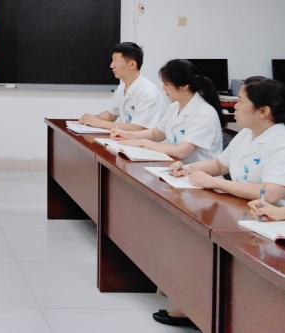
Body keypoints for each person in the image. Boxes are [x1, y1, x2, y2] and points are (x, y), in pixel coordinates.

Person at [154, 76, 285, 328]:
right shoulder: (246, 133)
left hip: (271, 223)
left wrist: (216, 183)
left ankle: (207, 311)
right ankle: (196, 306)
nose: (234, 105)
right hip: (243, 211)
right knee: (197, 237)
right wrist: (187, 168)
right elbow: (219, 164)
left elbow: (270, 194)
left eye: (241, 101)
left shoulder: (280, 141)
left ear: (263, 111)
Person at [110, 59, 224, 163]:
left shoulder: (204, 113)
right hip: (176, 167)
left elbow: (181, 151)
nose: (163, 88)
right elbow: (155, 134)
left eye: (166, 84)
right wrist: (127, 134)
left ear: (184, 86)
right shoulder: (174, 107)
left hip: (200, 174)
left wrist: (144, 142)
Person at [79, 42, 166, 131]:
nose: (111, 66)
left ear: (132, 65)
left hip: (142, 139)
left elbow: (137, 128)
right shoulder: (122, 87)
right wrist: (92, 118)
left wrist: (101, 123)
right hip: (127, 137)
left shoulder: (148, 93)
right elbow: (111, 115)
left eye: (115, 61)